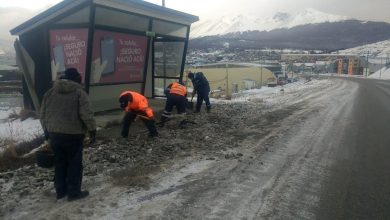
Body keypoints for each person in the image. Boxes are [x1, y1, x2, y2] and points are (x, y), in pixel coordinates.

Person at [40, 68, 96, 201]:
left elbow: (42, 114)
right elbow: (86, 114)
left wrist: (47, 131)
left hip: (55, 135)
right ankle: (74, 193)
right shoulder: (79, 93)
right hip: (74, 134)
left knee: (59, 163)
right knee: (74, 163)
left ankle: (61, 191)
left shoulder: (50, 92)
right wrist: (92, 130)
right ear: (76, 78)